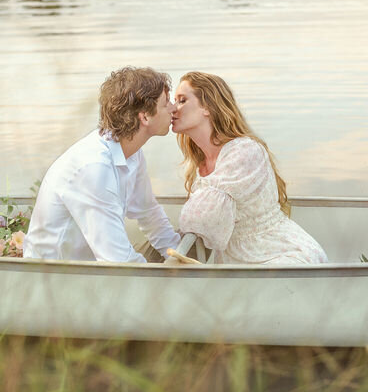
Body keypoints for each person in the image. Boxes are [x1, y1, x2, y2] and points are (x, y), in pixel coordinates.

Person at [23, 67, 182, 262]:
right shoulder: (94, 168)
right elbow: (117, 260)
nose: (174, 108)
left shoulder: (132, 154)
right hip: (56, 280)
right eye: (166, 103)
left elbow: (148, 213)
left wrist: (181, 257)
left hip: (91, 274)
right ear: (145, 117)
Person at [172, 72, 328, 264]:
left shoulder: (245, 151)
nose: (173, 109)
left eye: (182, 100)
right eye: (173, 101)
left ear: (207, 107)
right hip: (235, 260)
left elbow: (200, 220)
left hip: (280, 254)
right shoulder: (200, 163)